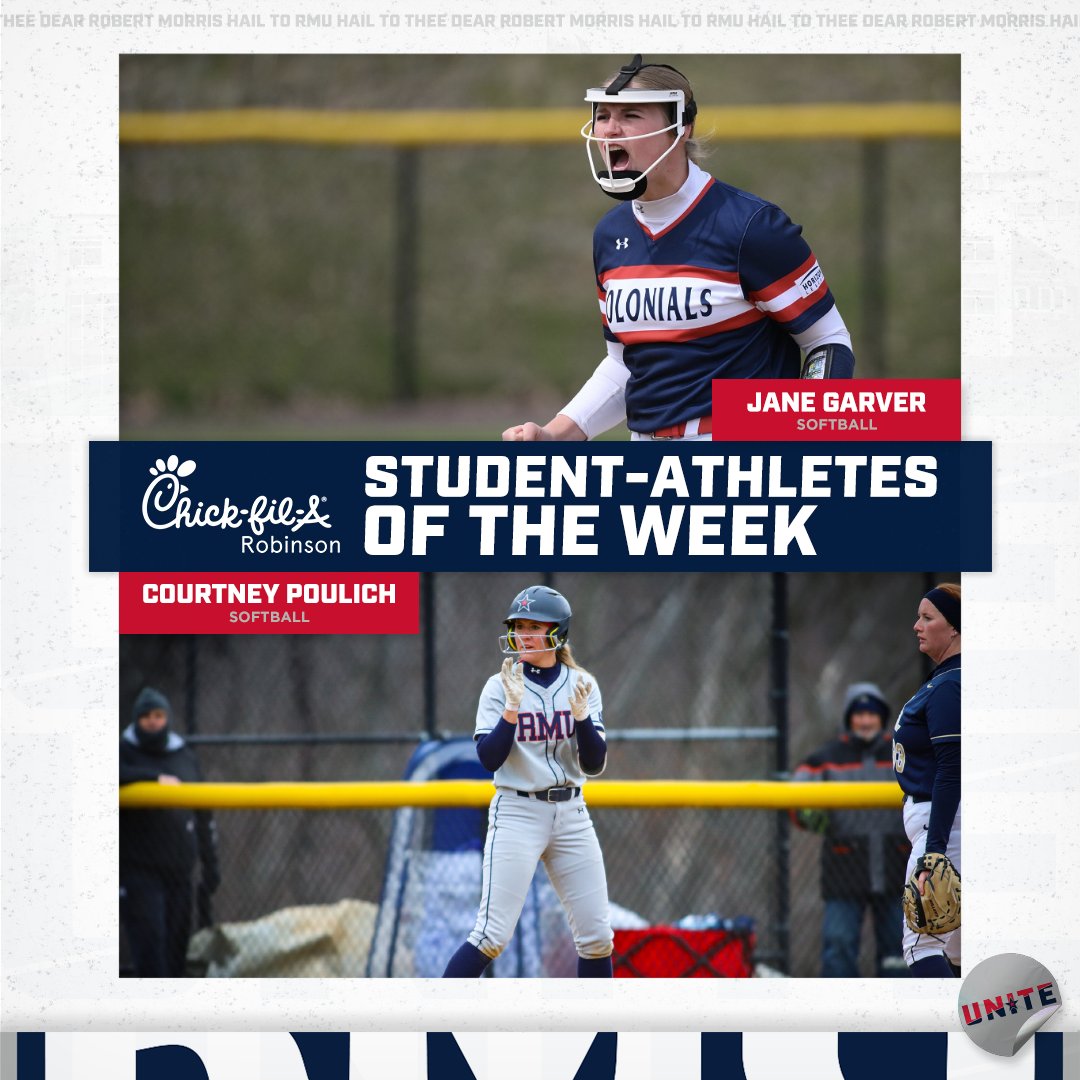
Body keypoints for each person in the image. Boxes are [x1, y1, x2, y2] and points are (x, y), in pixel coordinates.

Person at [503, 54, 854, 444]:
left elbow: (827, 340)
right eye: (602, 116)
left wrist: (807, 435)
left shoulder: (750, 226)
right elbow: (625, 366)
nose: (610, 130)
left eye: (631, 115)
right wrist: (554, 433)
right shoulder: (610, 234)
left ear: (682, 126)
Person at [442, 585, 614, 977]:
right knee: (491, 936)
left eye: (534, 626)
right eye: (519, 626)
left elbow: (594, 762)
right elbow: (489, 758)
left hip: (572, 812)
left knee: (597, 937)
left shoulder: (581, 684)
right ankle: (433, 1022)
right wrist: (512, 710)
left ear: (558, 633)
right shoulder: (499, 686)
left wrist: (584, 719)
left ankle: (599, 1032)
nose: (524, 635)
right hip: (518, 810)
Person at [793, 683, 910, 978]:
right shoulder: (825, 758)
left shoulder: (905, 752)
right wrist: (807, 815)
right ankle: (837, 1014)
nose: (866, 721)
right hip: (844, 865)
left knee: (899, 949)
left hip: (898, 864)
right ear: (848, 718)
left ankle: (899, 1015)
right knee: (839, 944)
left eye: (872, 714)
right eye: (859, 714)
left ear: (882, 717)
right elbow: (795, 798)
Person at [119, 686, 220, 977]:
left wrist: (210, 864)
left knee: (176, 955)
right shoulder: (123, 752)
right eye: (146, 716)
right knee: (151, 952)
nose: (153, 721)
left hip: (179, 873)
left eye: (159, 715)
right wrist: (153, 779)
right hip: (139, 874)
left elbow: (203, 811)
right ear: (136, 720)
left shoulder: (183, 755)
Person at [892, 583, 961, 977]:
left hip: (945, 827)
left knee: (921, 945)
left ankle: (953, 1035)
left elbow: (952, 768)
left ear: (954, 627)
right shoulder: (945, 679)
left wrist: (933, 852)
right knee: (956, 948)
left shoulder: (951, 684)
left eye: (928, 617)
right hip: (946, 824)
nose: (917, 625)